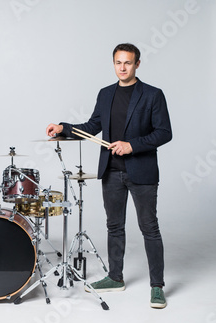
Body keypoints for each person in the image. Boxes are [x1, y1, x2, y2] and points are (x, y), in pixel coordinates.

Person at [46, 43, 172, 308]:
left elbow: (164, 132)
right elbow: (92, 127)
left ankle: (157, 286)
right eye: (118, 62)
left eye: (127, 63)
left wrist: (131, 145)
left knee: (150, 228)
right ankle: (115, 277)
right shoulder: (105, 94)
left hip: (142, 172)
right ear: (113, 63)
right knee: (114, 227)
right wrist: (63, 127)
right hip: (111, 172)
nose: (122, 68)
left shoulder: (152, 94)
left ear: (137, 64)